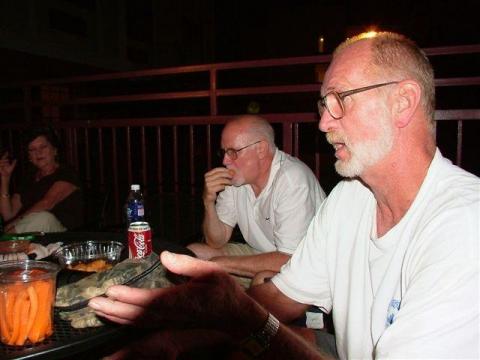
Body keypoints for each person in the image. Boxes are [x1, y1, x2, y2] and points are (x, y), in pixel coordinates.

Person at [88, 32, 479, 359]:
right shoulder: (349, 199)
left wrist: (241, 316)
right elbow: (280, 297)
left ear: (403, 102)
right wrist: (177, 338)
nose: (324, 121)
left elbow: (258, 315)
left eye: (340, 99)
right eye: (323, 104)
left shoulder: (464, 225)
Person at [188, 115, 325, 284]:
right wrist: (208, 201)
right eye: (223, 152)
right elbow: (217, 240)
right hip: (260, 253)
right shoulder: (237, 180)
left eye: (232, 152)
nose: (225, 161)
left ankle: (238, 307)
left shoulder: (292, 180)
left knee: (262, 280)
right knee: (193, 254)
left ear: (261, 149)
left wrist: (221, 264)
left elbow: (289, 259)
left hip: (305, 267)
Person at [0, 127, 84, 233]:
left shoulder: (67, 173)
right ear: (29, 157)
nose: (38, 153)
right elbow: (8, 214)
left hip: (63, 235)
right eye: (32, 150)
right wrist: (5, 178)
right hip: (32, 234)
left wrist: (15, 223)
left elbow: (47, 203)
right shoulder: (29, 177)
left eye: (43, 147)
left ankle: (5, 241)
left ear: (54, 150)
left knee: (44, 218)